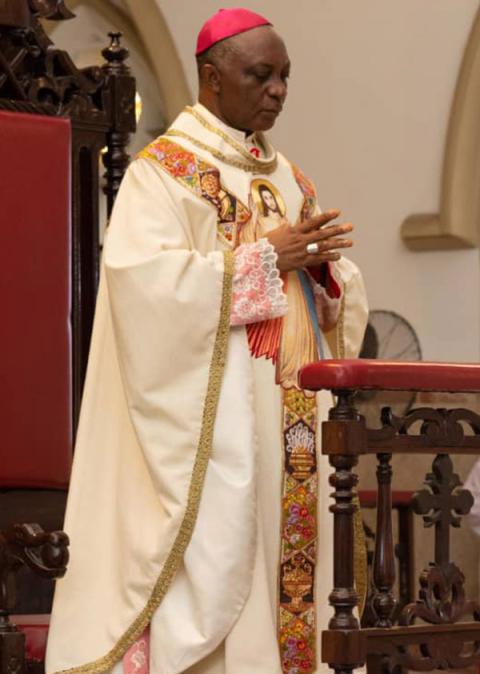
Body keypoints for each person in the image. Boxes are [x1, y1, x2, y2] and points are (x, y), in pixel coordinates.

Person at [46, 8, 368, 674]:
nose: (278, 90)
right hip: (217, 426)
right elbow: (142, 287)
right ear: (213, 78)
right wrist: (261, 261)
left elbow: (322, 299)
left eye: (285, 76)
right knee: (228, 560)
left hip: (295, 420)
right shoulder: (161, 173)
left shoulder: (291, 180)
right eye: (261, 75)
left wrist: (327, 276)